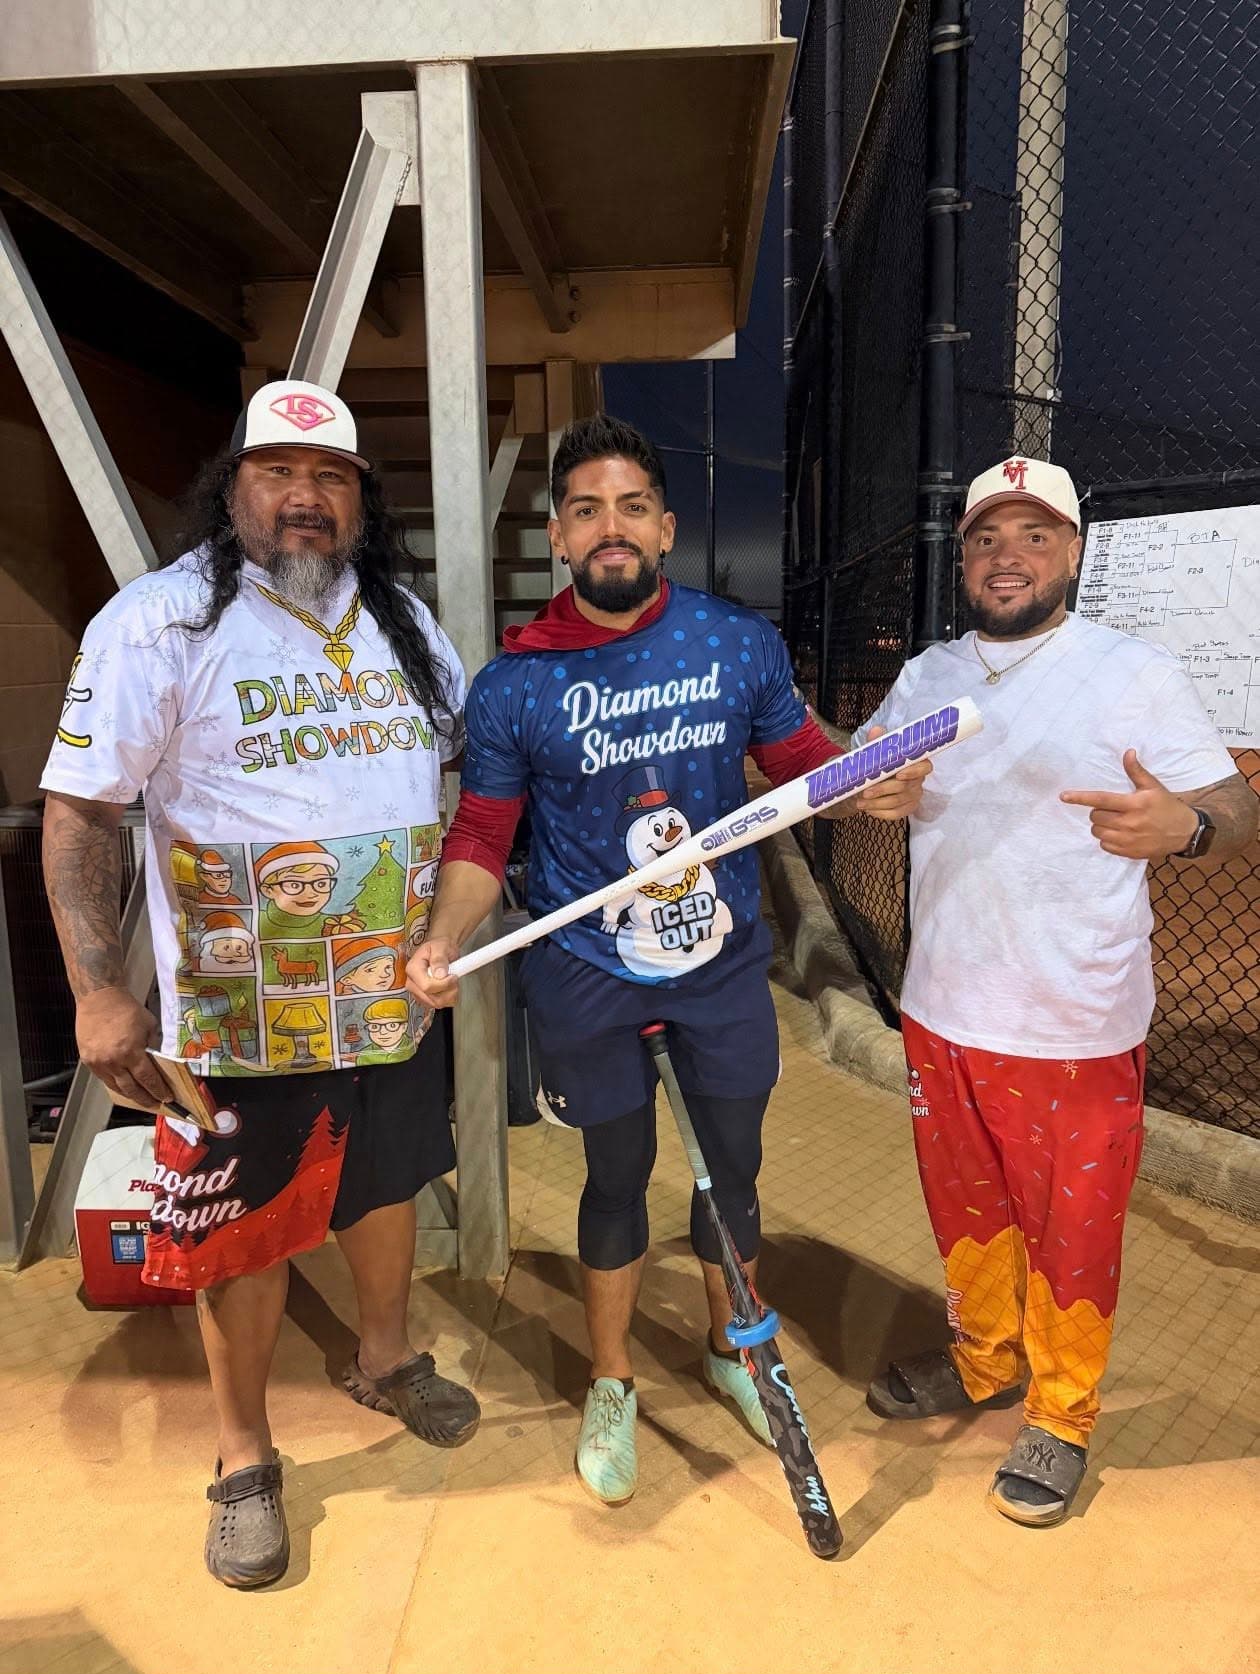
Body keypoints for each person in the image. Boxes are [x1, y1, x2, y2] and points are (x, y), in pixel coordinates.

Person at [408, 414, 931, 1504]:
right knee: (613, 1178)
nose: (612, 527)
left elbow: (797, 766)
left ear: (665, 527)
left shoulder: (734, 644)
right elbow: (481, 838)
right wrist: (444, 938)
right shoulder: (514, 685)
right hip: (586, 972)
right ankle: (612, 1383)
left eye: (632, 507)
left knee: (729, 1172)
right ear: (558, 536)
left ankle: (729, 1346)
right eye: (588, 509)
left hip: (721, 966)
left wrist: (859, 779)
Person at [41, 378, 481, 1590]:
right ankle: (243, 1460)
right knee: (240, 1228)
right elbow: (81, 810)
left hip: (390, 992)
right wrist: (96, 990)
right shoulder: (159, 623)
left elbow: (457, 779)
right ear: (232, 487)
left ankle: (384, 1361)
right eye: (279, 475)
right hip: (239, 1009)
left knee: (386, 1185)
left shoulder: (403, 622)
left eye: (330, 478)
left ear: (360, 501)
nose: (304, 499)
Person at [862, 456, 1258, 1525]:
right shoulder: (931, 676)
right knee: (969, 1215)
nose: (1009, 556)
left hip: (1075, 1020)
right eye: (989, 537)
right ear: (966, 558)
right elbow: (866, 775)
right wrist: (875, 790)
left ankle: (1063, 1413)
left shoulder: (1133, 672)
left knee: (1074, 1230)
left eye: (1036, 536)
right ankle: (986, 1362)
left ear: (1073, 553)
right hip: (944, 1007)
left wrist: (1187, 827)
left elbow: (1231, 802)